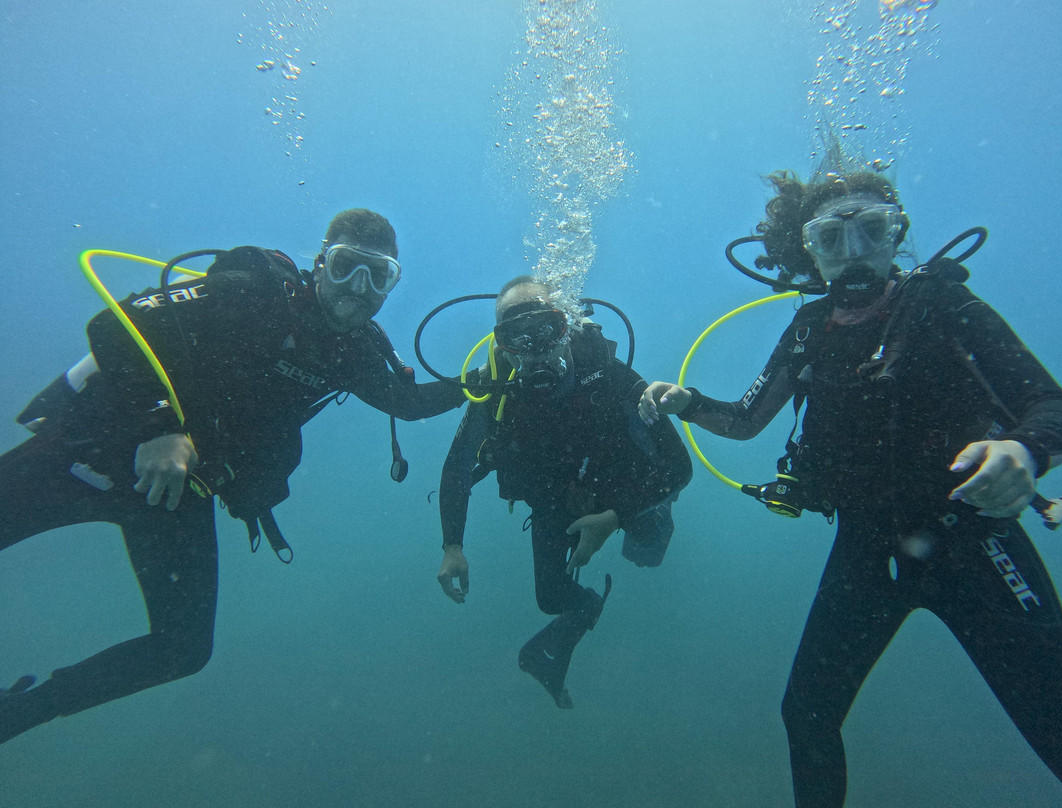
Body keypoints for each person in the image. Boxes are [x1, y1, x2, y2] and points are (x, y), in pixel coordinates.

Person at [639, 170, 1062, 805]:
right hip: (866, 549)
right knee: (806, 714)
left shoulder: (948, 308)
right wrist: (686, 402)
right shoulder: (808, 329)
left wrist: (1024, 448)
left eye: (872, 230)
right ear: (807, 251)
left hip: (974, 541)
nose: (852, 253)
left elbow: (1055, 410)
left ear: (897, 237)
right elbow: (743, 420)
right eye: (829, 237)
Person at [0, 209, 470, 745]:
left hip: (172, 493)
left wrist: (482, 383)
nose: (359, 289)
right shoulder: (248, 293)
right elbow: (114, 324)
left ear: (391, 284)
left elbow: (404, 403)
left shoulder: (355, 350)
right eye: (346, 267)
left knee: (182, 650)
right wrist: (161, 426)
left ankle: (23, 711)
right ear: (320, 265)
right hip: (87, 455)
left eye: (378, 275)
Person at [436, 277, 693, 708]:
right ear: (502, 344)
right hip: (557, 499)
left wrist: (616, 517)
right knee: (550, 598)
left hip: (622, 488)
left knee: (645, 552)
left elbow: (678, 467)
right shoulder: (495, 388)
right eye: (515, 337)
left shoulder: (608, 375)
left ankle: (645, 521)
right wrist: (452, 546)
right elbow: (457, 468)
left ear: (567, 327)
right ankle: (561, 637)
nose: (534, 348)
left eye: (546, 330)